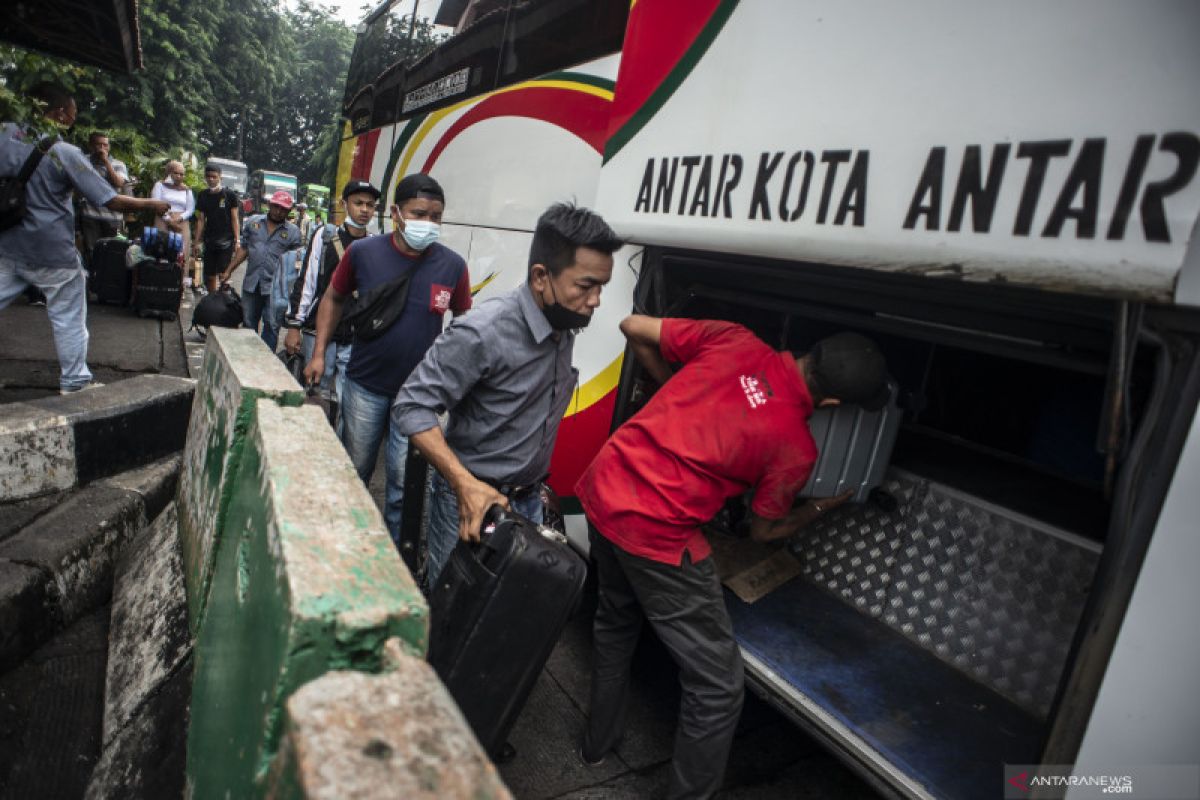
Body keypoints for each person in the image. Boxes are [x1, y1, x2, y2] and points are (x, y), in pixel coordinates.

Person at [574, 317, 889, 799]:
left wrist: (676, 389)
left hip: (605, 484)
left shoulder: (734, 340)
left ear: (813, 350)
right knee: (718, 689)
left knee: (616, 621)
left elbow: (633, 326)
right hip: (655, 533)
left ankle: (596, 747)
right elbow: (763, 531)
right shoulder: (795, 448)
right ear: (831, 404)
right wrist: (821, 507)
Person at [394, 202, 622, 586]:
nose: (596, 300)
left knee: (503, 615)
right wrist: (464, 483)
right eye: (585, 286)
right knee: (454, 616)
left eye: (601, 287)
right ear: (540, 277)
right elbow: (411, 406)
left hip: (528, 501)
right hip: (472, 499)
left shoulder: (562, 324)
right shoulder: (483, 331)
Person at [306, 173, 471, 551]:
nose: (427, 224)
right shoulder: (363, 253)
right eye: (419, 214)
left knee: (403, 485)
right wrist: (319, 355)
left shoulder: (453, 267)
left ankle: (395, 562)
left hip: (418, 398)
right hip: (364, 386)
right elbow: (332, 297)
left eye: (435, 216)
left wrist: (456, 378)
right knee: (356, 470)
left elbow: (464, 322)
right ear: (396, 213)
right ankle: (346, 545)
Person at [0, 83, 170, 393]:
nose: (73, 121)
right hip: (51, 252)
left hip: (8, 243)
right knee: (68, 316)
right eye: (73, 114)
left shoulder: (5, 134)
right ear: (61, 112)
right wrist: (152, 204)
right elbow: (110, 199)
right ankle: (75, 381)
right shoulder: (63, 152)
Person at [283, 179, 379, 407]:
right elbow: (307, 281)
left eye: (370, 205)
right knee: (316, 394)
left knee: (350, 400)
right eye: (358, 203)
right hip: (319, 333)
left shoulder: (376, 245)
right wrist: (294, 327)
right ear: (345, 204)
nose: (364, 209)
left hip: (354, 336)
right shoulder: (324, 237)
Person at [221, 190, 302, 352]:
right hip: (252, 283)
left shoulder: (293, 233)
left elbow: (296, 263)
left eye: (284, 209)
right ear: (270, 205)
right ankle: (246, 356)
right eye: (276, 207)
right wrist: (229, 270)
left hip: (276, 288)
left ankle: (266, 359)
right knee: (248, 322)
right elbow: (244, 249)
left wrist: (294, 288)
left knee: (272, 326)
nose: (279, 212)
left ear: (289, 211)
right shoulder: (253, 223)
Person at [78, 131, 129, 268]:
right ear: (90, 146)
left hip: (112, 218)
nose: (102, 148)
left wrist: (106, 162)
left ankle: (107, 285)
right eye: (98, 145)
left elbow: (118, 182)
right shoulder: (83, 161)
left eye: (105, 145)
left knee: (112, 252)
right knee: (91, 252)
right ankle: (92, 284)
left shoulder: (119, 164)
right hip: (90, 215)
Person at [192, 163, 241, 293]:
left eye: (214, 176)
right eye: (208, 176)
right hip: (209, 239)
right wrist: (196, 242)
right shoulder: (203, 195)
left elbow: (235, 218)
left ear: (220, 177)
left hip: (227, 240)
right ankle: (212, 299)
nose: (211, 179)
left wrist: (237, 240)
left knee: (223, 273)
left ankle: (223, 300)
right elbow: (201, 220)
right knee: (209, 275)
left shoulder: (230, 195)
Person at [150, 160, 195, 285]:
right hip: (163, 219)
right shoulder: (160, 185)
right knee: (161, 248)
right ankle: (158, 280)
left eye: (182, 174)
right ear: (169, 173)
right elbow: (156, 203)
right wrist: (169, 220)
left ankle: (180, 282)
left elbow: (190, 209)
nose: (180, 176)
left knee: (182, 251)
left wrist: (179, 219)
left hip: (181, 221)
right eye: (176, 173)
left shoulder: (186, 190)